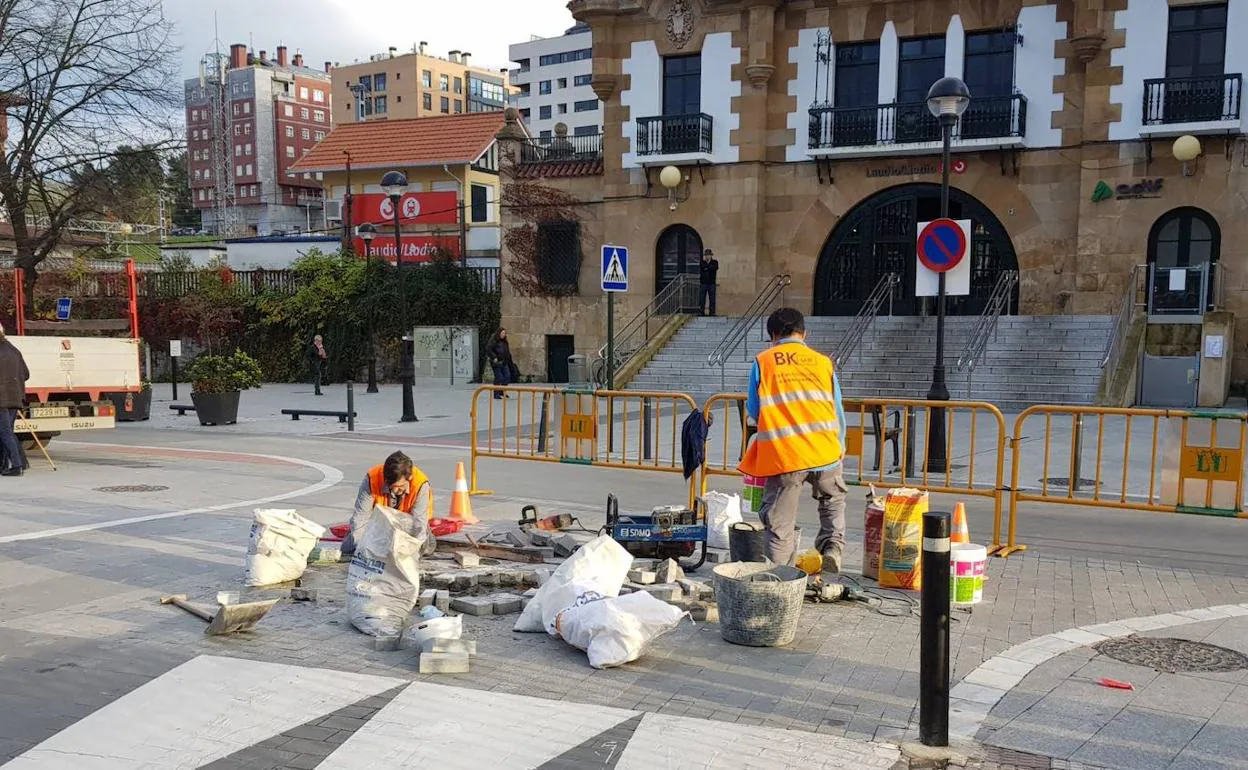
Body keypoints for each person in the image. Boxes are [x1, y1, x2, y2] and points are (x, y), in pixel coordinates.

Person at [738, 308, 847, 572]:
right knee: (832, 500)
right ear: (804, 333)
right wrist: (840, 446)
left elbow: (755, 409)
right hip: (825, 450)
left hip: (786, 455)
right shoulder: (822, 362)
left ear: (772, 335)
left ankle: (780, 576)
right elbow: (837, 409)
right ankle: (832, 547)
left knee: (779, 522)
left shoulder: (764, 361)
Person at [342, 451, 433, 556]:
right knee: (348, 547)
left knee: (423, 548)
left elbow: (419, 524)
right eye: (391, 486)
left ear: (410, 478)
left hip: (407, 528)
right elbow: (360, 517)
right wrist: (361, 547)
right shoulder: (373, 478)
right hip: (379, 525)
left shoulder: (420, 484)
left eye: (400, 487)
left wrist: (411, 552)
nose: (394, 491)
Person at [0, 322, 30, 477]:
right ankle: (16, 463)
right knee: (7, 432)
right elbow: (26, 374)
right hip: (15, 397)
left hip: (2, 399)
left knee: (4, 432)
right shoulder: (14, 350)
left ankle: (17, 465)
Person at [487, 329, 515, 399]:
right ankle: (496, 394)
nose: (503, 334)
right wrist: (494, 357)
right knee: (499, 377)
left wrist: (510, 362)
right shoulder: (494, 341)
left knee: (507, 376)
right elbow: (488, 349)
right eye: (502, 333)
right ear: (499, 333)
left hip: (504, 361)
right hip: (496, 362)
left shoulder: (505, 342)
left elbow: (507, 352)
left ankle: (502, 391)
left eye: (504, 333)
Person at [699, 248, 719, 317]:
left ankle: (712, 312)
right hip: (703, 283)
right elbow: (702, 268)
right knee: (702, 298)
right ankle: (701, 312)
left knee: (712, 298)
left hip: (711, 283)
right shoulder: (702, 262)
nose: (707, 256)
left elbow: (714, 268)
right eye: (706, 255)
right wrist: (709, 267)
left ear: (711, 256)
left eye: (708, 255)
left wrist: (707, 268)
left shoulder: (715, 262)